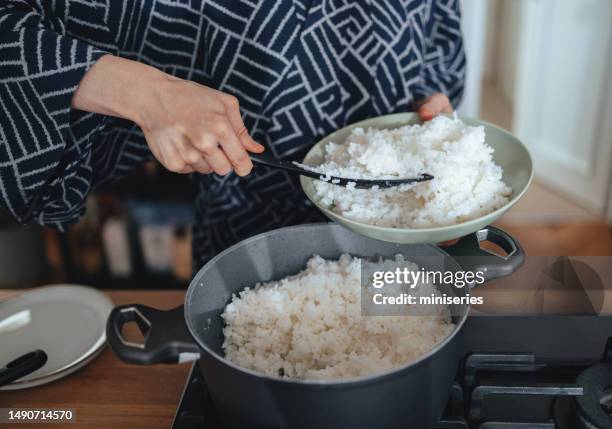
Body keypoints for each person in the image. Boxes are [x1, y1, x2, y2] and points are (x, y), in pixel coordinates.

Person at [0, 0, 465, 267]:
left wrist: (430, 107)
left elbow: (434, 33)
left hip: (406, 210)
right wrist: (144, 93)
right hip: (248, 223)